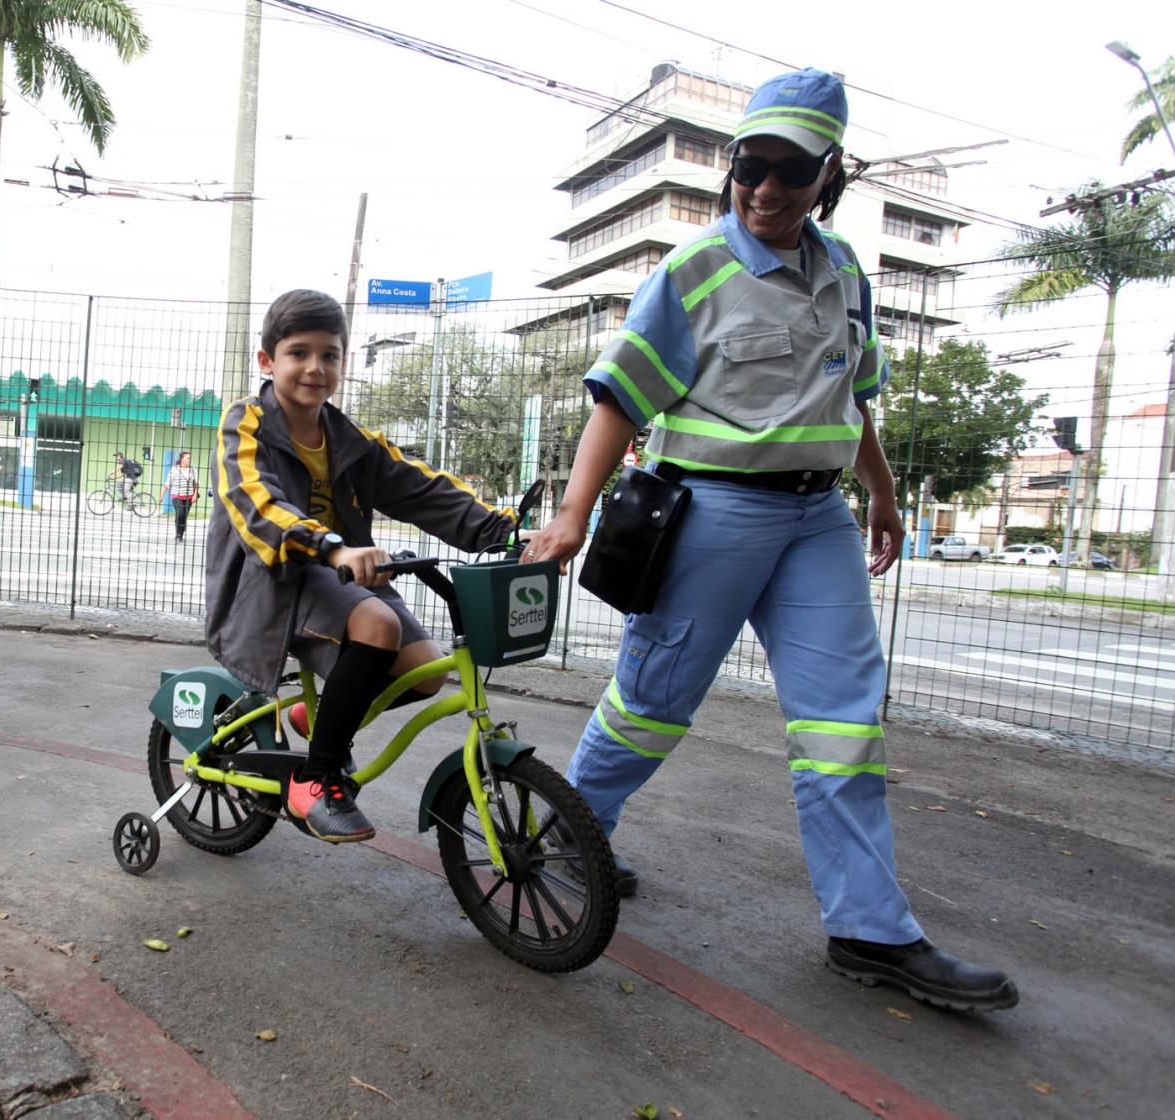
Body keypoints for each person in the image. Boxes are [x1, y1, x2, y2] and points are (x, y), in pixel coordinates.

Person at [524, 69, 1018, 1012]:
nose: (766, 188)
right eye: (752, 165)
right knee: (651, 702)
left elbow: (851, 395)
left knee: (843, 725)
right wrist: (573, 512)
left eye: (791, 170)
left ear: (829, 174)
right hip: (711, 514)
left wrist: (880, 492)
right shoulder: (694, 272)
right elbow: (618, 398)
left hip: (817, 519)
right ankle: (569, 833)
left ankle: (871, 929)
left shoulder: (847, 274)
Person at [207, 289, 517, 842]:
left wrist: (509, 532)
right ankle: (317, 777)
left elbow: (423, 490)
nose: (314, 368)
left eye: (329, 355)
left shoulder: (350, 440)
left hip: (341, 579)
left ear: (343, 363)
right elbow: (257, 504)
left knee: (428, 674)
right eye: (298, 353)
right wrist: (332, 547)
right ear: (266, 361)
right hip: (274, 580)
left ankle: (318, 716)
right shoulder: (245, 424)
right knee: (379, 625)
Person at [162, 450, 199, 542]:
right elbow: (167, 483)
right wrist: (162, 495)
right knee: (180, 514)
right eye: (188, 458)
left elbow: (196, 484)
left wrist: (195, 495)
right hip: (176, 496)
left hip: (189, 496)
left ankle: (181, 533)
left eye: (190, 458)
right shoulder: (175, 469)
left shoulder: (193, 470)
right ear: (182, 459)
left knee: (184, 516)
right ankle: (178, 534)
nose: (189, 460)